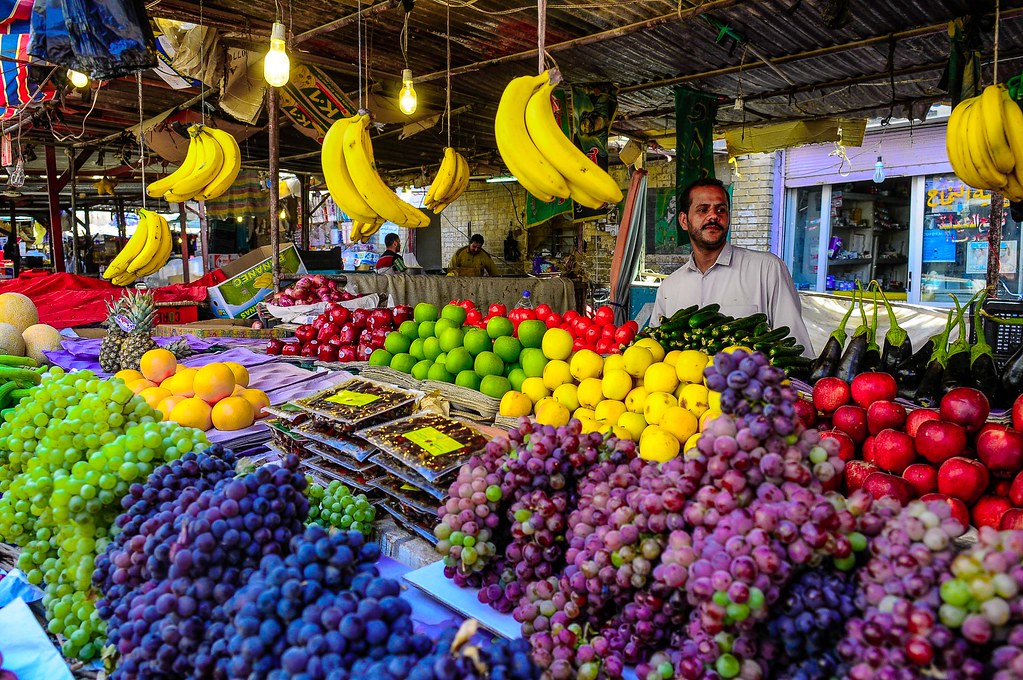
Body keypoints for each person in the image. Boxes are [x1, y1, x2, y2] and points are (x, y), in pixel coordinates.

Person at [650, 178, 815, 357]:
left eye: (721, 209)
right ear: (684, 220)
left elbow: (795, 348)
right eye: (703, 209)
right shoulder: (670, 287)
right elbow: (654, 350)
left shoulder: (767, 270)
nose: (713, 216)